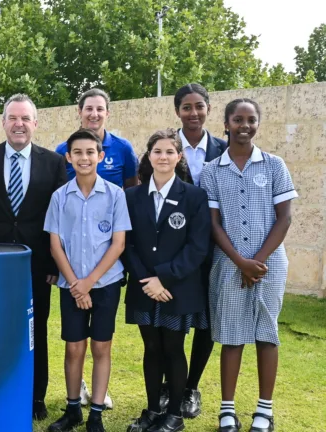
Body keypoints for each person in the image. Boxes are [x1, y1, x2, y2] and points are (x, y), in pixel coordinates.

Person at [0, 94, 67, 421]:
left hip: (37, 265)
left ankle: (36, 397)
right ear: (3, 122)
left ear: (35, 123)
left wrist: (52, 264)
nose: (19, 124)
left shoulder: (54, 163)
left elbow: (59, 219)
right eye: (13, 118)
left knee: (35, 331)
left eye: (25, 118)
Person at [201, 99, 296, 432]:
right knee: (231, 335)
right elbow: (213, 224)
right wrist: (240, 261)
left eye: (251, 119)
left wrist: (258, 261)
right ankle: (227, 410)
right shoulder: (211, 171)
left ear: (258, 123)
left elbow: (284, 218)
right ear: (226, 124)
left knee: (267, 334)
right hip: (228, 265)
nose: (245, 125)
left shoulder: (274, 166)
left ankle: (264, 410)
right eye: (238, 119)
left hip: (269, 266)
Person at [122, 129, 211, 432]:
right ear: (148, 156)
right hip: (144, 287)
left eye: (169, 152)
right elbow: (127, 243)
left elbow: (198, 247)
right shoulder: (132, 195)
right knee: (151, 349)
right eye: (157, 151)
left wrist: (164, 278)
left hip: (177, 289)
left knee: (173, 348)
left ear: (179, 156)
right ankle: (150, 410)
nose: (163, 157)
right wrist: (148, 279)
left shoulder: (195, 196)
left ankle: (173, 414)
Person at [44, 129, 130, 432]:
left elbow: (118, 244)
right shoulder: (59, 197)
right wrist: (75, 284)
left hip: (104, 285)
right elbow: (55, 245)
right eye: (77, 152)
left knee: (101, 347)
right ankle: (72, 410)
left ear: (100, 156)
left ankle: (95, 413)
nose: (84, 158)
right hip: (71, 285)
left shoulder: (115, 194)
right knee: (74, 348)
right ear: (68, 157)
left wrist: (89, 283)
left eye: (90, 152)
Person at [158, 83, 228, 418]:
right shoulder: (167, 147)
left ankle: (189, 388)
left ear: (209, 109)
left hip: (213, 250)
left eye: (199, 106)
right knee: (169, 321)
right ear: (177, 112)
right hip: (173, 251)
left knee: (206, 323)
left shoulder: (225, 150)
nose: (193, 113)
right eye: (186, 107)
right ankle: (166, 385)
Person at [55, 88, 139, 189]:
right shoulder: (63, 150)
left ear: (107, 113)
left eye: (100, 109)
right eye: (89, 109)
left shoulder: (124, 148)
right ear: (80, 112)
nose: (94, 114)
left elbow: (131, 191)